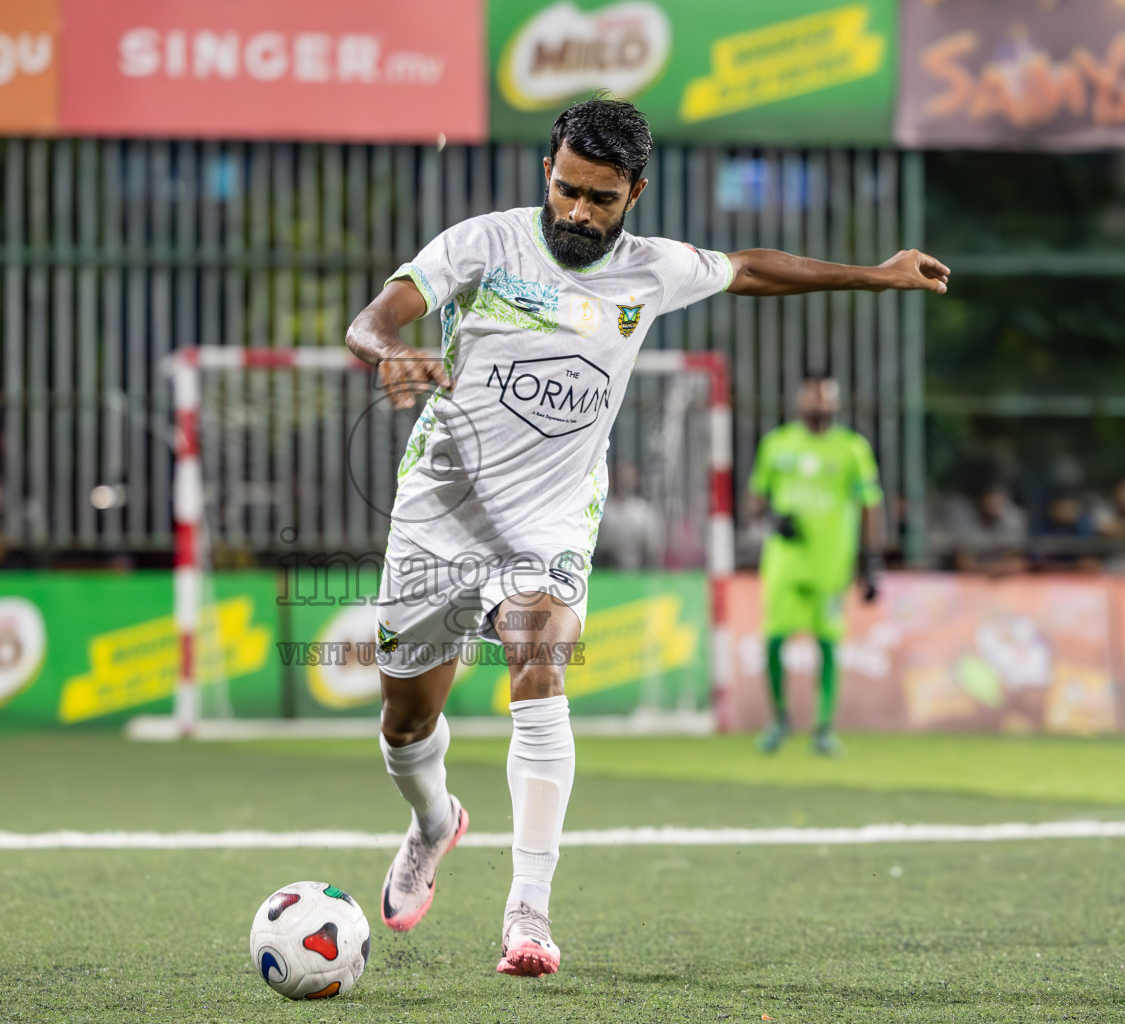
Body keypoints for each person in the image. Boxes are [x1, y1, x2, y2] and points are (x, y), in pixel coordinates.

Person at [343, 98, 948, 978]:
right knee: (406, 719)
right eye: (567, 190)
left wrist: (876, 273)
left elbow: (751, 269)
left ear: (636, 192)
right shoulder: (481, 244)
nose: (579, 213)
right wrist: (384, 349)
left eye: (601, 198)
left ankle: (529, 914)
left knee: (538, 653)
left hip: (550, 519)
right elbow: (375, 317)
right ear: (547, 172)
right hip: (441, 511)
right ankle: (436, 822)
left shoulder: (653, 271)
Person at [746, 377, 884, 758]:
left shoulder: (852, 449)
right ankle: (779, 721)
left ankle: (823, 729)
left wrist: (872, 563)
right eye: (812, 393)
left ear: (836, 401)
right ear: (799, 398)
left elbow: (871, 504)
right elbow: (755, 499)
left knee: (828, 644)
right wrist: (773, 517)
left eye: (826, 394)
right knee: (774, 641)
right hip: (785, 564)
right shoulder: (777, 444)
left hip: (831, 565)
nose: (818, 400)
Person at [940, 482, 1029, 576]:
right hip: (970, 580)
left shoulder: (1013, 519)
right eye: (990, 501)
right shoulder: (964, 519)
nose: (995, 505)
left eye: (999, 500)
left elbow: (1020, 562)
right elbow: (962, 563)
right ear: (981, 501)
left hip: (1004, 580)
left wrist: (998, 569)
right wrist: (991, 569)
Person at [593, 461, 663, 569]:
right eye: (621, 477)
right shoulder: (602, 509)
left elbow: (653, 546)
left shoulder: (643, 510)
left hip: (638, 571)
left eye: (629, 477)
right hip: (605, 571)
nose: (625, 481)